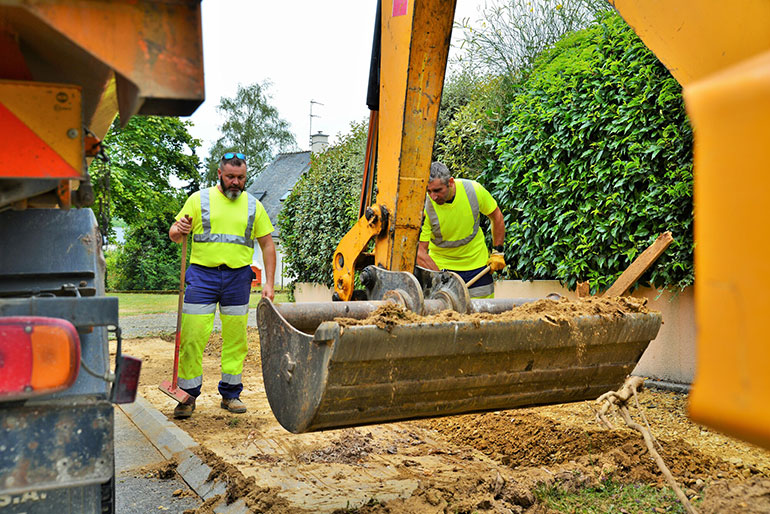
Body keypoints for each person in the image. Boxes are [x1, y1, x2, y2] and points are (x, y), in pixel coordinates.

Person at [168, 152, 276, 419]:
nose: (236, 182)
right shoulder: (198, 200)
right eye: (230, 177)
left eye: (240, 178)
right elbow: (174, 235)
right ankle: (187, 395)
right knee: (192, 336)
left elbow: (268, 245)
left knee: (236, 339)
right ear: (219, 174)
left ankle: (231, 394)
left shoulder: (253, 206)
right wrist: (178, 229)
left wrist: (269, 284)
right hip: (202, 277)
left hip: (238, 278)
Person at [416, 161, 506, 298]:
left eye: (437, 190)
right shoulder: (424, 207)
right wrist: (441, 279)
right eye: (429, 191)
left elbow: (497, 216)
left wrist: (498, 252)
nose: (433, 197)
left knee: (485, 314)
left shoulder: (473, 190)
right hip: (442, 269)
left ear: (451, 182)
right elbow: (420, 252)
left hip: (477, 267)